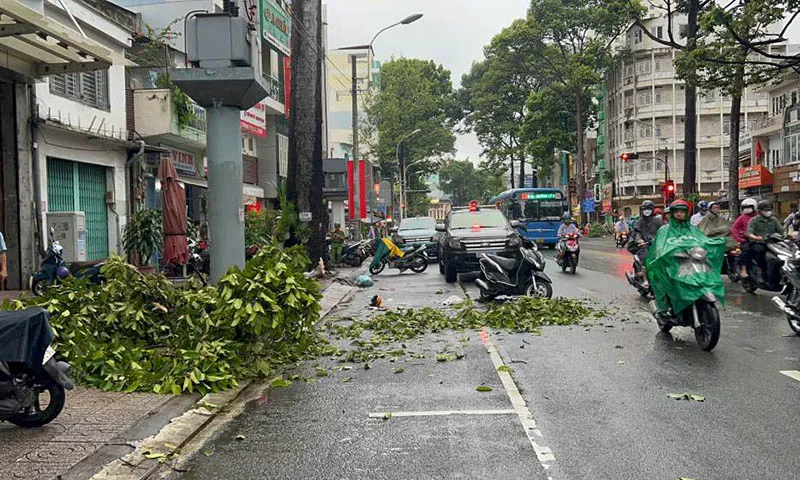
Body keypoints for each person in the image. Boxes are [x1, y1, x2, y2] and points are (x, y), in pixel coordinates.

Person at [647, 198, 726, 315]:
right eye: (676, 212)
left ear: (686, 213)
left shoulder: (693, 229)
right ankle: (664, 309)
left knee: (704, 275)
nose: (679, 214)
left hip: (689, 262)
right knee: (661, 281)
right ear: (672, 214)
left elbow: (703, 241)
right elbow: (659, 248)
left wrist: (714, 243)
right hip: (671, 263)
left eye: (682, 212)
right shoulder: (664, 230)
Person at [747, 200, 783, 277]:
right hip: (758, 242)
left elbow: (781, 230)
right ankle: (761, 270)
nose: (768, 212)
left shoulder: (774, 219)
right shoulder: (754, 220)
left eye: (769, 210)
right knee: (761, 251)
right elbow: (749, 233)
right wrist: (756, 237)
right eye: (765, 210)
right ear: (760, 211)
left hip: (773, 242)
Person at [631, 200, 662, 285]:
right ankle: (645, 278)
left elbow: (663, 231)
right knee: (645, 257)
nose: (647, 211)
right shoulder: (639, 222)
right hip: (644, 245)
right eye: (645, 209)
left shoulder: (658, 220)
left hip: (657, 245)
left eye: (649, 208)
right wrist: (639, 240)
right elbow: (636, 233)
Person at [731, 198, 758, 278]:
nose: (747, 209)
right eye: (744, 207)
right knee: (746, 250)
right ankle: (743, 269)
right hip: (746, 240)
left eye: (749, 207)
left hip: (760, 239)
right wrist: (740, 239)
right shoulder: (741, 218)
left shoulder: (759, 217)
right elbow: (734, 229)